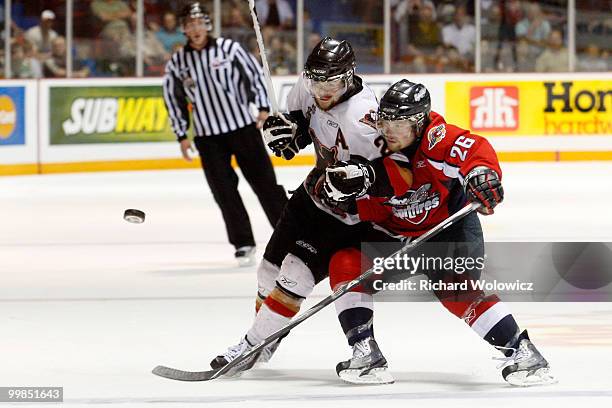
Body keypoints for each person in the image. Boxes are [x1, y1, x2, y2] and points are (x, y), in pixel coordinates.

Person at [320, 80, 556, 386]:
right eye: (385, 120)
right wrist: (336, 193)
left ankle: (523, 353)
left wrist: (482, 175)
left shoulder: (437, 140)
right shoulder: (370, 143)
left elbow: (475, 151)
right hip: (394, 235)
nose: (389, 130)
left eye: (399, 123)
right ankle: (365, 353)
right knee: (346, 263)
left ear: (419, 123)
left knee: (455, 288)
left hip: (448, 231)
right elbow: (356, 197)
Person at [208, 37, 407, 375]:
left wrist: (363, 179)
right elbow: (303, 121)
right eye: (316, 80)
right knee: (267, 272)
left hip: (346, 216)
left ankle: (252, 345)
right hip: (310, 196)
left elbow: (394, 175)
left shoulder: (366, 118)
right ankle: (266, 340)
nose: (321, 90)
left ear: (348, 76)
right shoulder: (308, 84)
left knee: (295, 276)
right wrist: (289, 136)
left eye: (329, 81)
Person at [162, 2, 287, 266]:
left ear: (207, 24)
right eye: (189, 24)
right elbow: (173, 100)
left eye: (199, 23)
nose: (195, 28)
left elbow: (255, 76)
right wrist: (181, 135)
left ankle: (288, 235)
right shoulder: (177, 63)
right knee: (224, 192)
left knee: (266, 185)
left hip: (243, 128)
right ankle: (243, 243)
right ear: (183, 28)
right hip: (208, 138)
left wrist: (263, 107)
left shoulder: (229, 49)